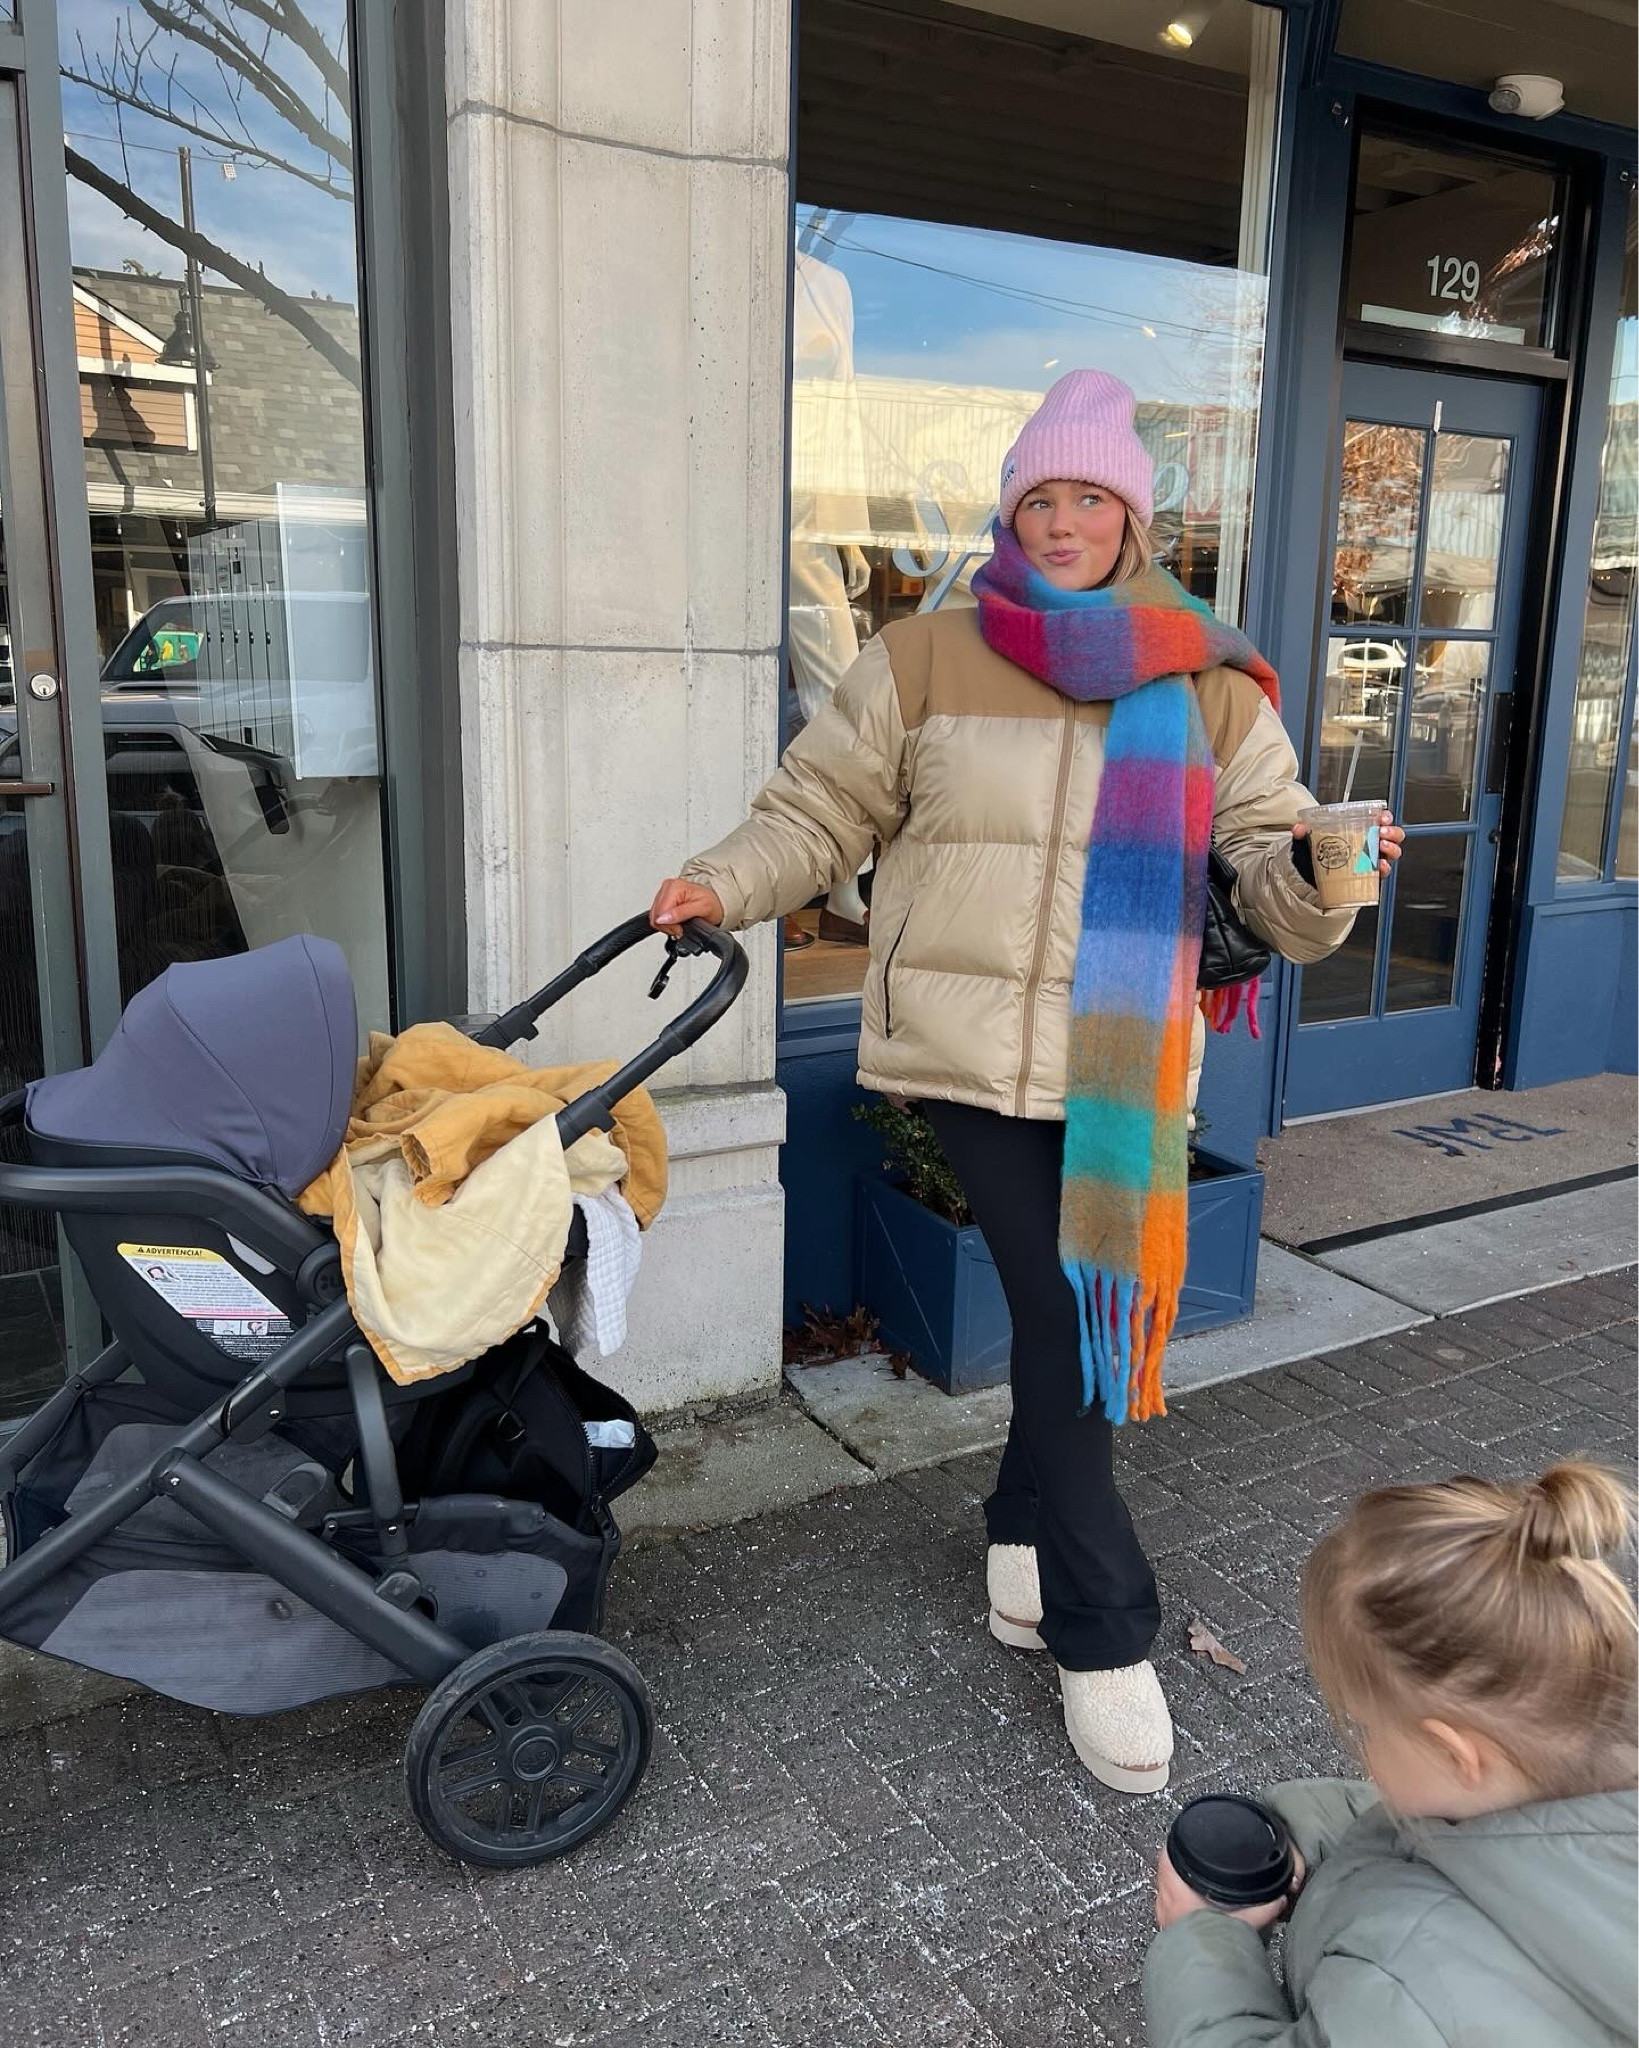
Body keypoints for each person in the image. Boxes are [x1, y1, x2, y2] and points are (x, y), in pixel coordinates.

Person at [650, 369, 1402, 1792]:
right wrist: (718, 884)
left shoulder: (1206, 675)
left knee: (1066, 1324)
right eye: (1037, 498)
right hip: (963, 1054)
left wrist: (1318, 870)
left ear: (1131, 512)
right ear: (1012, 512)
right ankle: (1101, 1624)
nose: (1059, 523)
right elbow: (817, 810)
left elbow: (1258, 859)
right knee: (1068, 1317)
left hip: (1116, 1064)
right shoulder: (923, 656)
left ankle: (1013, 1534)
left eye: (1086, 498)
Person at [1146, 1461, 1639, 2047]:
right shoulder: (1566, 1785)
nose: (1363, 1753)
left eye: (1367, 1727)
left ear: (1456, 1754)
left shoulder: (1413, 1995)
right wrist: (1305, 1830)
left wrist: (1203, 1945)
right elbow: (1465, 1836)